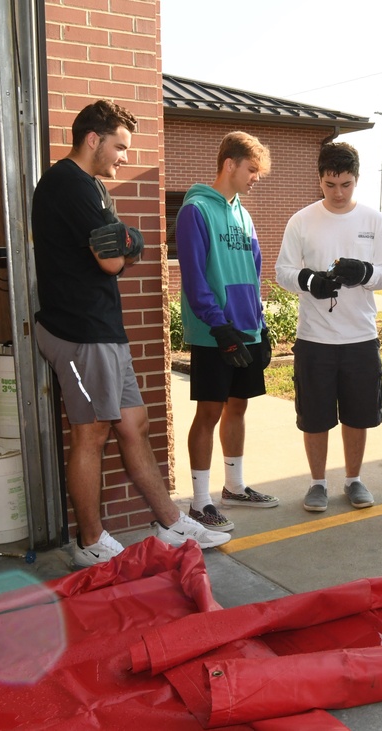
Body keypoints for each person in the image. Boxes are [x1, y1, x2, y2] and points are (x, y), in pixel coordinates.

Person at [32, 99, 231, 567]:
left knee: (134, 425)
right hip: (79, 332)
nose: (125, 157)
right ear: (93, 139)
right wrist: (130, 241)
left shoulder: (91, 187)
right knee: (91, 433)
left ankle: (168, 522)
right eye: (120, 147)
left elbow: (120, 245)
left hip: (102, 330)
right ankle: (90, 542)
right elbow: (113, 258)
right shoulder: (70, 185)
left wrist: (129, 239)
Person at [275, 142, 382, 512]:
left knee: (358, 413)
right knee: (314, 416)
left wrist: (366, 273)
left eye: (345, 184)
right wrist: (309, 281)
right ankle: (317, 483)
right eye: (330, 185)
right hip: (314, 338)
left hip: (360, 336)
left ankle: (354, 479)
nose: (338, 193)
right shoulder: (301, 220)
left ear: (356, 179)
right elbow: (283, 271)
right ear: (320, 179)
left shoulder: (374, 221)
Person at [175, 131, 280, 531]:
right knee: (210, 412)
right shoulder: (195, 211)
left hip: (247, 330)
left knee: (239, 406)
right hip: (213, 333)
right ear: (229, 164)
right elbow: (194, 277)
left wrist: (262, 325)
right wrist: (219, 326)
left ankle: (234, 487)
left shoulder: (244, 214)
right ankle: (200, 503)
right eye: (252, 170)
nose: (255, 178)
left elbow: (253, 276)